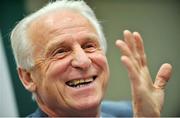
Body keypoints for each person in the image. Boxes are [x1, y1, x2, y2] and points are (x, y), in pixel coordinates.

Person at [10, 0, 172, 117]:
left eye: (89, 46)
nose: (84, 61)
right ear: (28, 77)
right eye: (60, 51)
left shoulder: (131, 113)